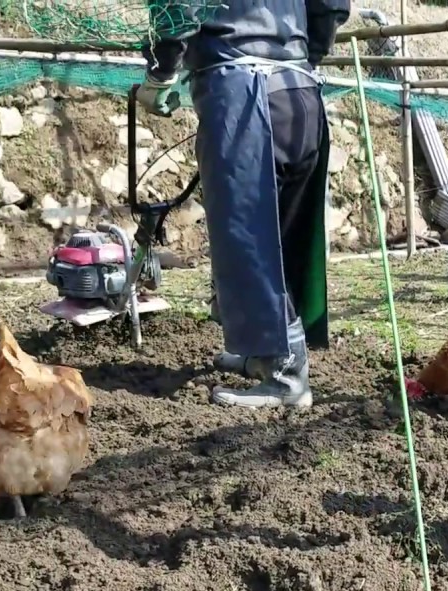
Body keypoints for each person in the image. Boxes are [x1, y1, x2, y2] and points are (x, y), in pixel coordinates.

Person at [137, 0, 350, 408]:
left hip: (241, 91)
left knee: (246, 236)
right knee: (283, 236)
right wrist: (311, 50)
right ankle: (261, 348)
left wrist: (161, 73)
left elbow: (176, 8)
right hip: (300, 89)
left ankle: (286, 375)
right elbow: (331, 3)